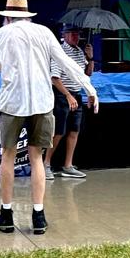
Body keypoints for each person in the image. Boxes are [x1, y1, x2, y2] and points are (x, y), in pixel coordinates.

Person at [0, 0, 98, 235]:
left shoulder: (1, 35)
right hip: (42, 102)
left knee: (7, 156)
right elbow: (68, 63)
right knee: (37, 157)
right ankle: (39, 215)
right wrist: (89, 88)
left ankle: (6, 213)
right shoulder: (44, 33)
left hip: (12, 103)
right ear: (28, 14)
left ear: (7, 15)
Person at [43, 25, 94, 180]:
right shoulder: (60, 51)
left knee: (74, 130)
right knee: (59, 131)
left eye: (77, 34)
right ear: (64, 35)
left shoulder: (79, 51)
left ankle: (68, 165)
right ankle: (46, 164)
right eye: (71, 34)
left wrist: (90, 58)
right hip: (61, 94)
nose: (75, 37)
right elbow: (55, 78)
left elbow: (86, 74)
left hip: (76, 93)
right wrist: (67, 95)